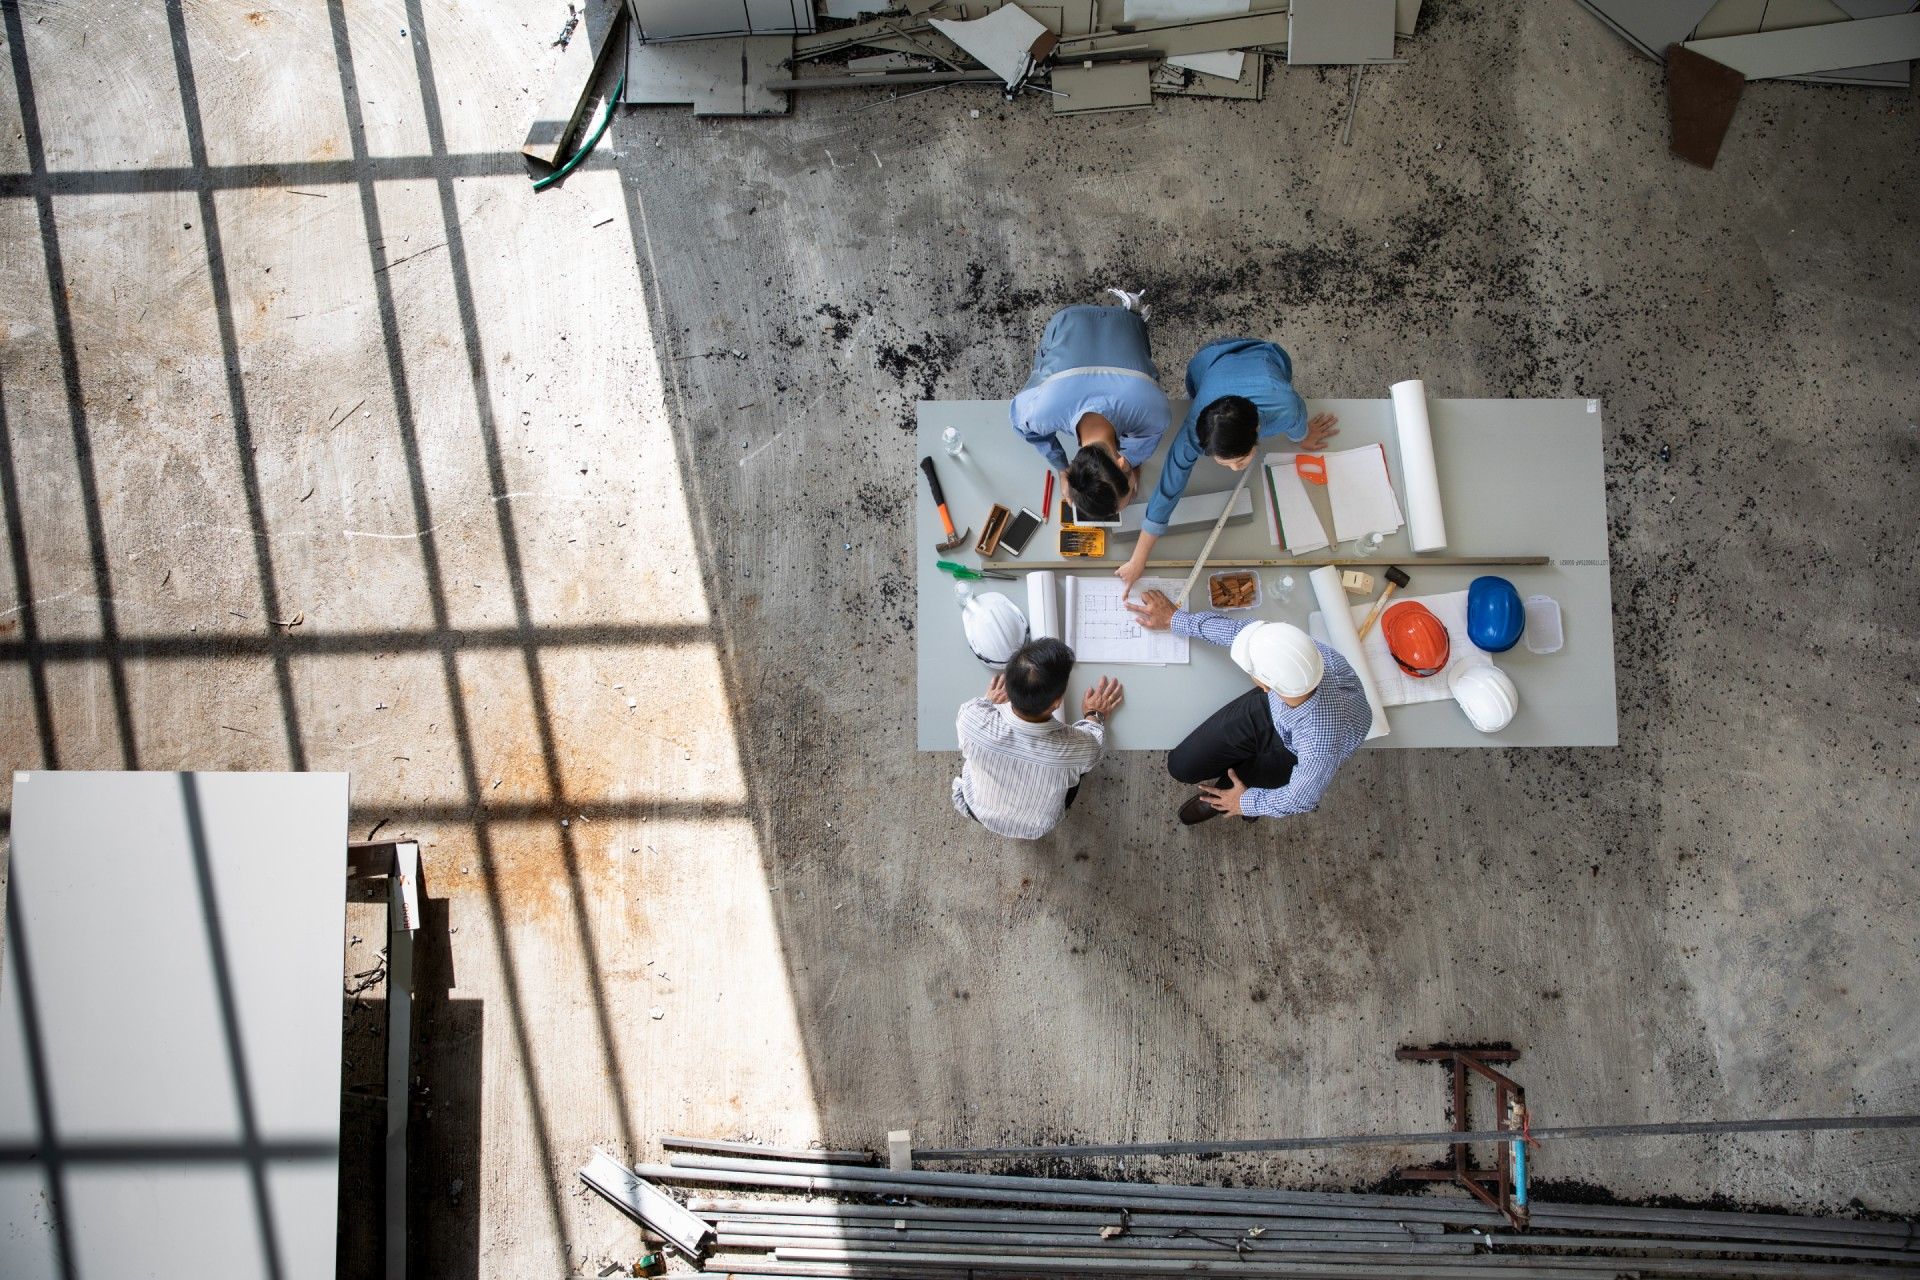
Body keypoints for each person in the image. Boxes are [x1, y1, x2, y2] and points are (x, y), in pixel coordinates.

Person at [1123, 590, 1368, 825]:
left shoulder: (1319, 747)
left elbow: (1301, 798)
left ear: (1264, 684)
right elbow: (1238, 632)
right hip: (1275, 711)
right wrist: (1175, 619)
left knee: (1248, 790)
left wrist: (1245, 803)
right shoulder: (1305, 653)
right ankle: (1241, 777)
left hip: (1295, 753)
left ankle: (1237, 797)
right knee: (1181, 767)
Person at [1115, 338, 1340, 589]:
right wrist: (1138, 559)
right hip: (1212, 357)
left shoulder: (1284, 405)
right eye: (1226, 463)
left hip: (1263, 357)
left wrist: (1302, 437)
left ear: (1256, 430)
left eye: (1241, 460)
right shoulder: (1193, 432)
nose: (1236, 469)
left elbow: (1298, 420)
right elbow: (1168, 490)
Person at [1010, 292, 1170, 522]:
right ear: (1122, 462)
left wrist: (1060, 465)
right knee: (1043, 374)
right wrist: (1062, 468)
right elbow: (1018, 420)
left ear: (1123, 462)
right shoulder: (1041, 412)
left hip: (1123, 325)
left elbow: (1138, 453)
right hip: (1067, 321)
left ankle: (1130, 314)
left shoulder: (1154, 412)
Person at [952, 638, 1124, 839]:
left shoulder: (971, 719)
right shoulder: (1078, 749)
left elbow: (979, 708)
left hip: (978, 810)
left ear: (1007, 687)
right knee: (1078, 769)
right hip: (1036, 827)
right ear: (1057, 702)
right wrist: (1094, 714)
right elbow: (1096, 743)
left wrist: (989, 702)